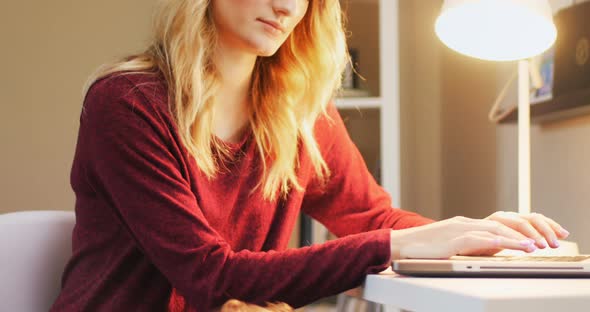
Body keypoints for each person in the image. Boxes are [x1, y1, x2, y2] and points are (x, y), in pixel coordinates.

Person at [51, 0, 570, 311]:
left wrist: (479, 241)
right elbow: (210, 277)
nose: (286, 6)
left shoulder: (299, 112)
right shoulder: (127, 104)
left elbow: (371, 217)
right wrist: (406, 241)